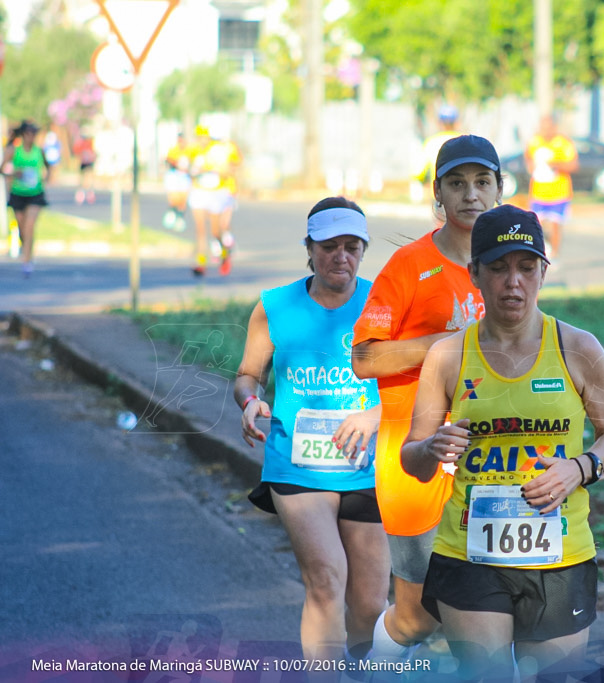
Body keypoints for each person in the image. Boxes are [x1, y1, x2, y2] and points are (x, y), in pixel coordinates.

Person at [401, 203, 604, 680]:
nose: (513, 283)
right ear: (474, 274)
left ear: (543, 272)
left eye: (527, 268)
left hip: (560, 551)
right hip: (470, 551)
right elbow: (414, 458)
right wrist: (431, 449)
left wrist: (580, 468)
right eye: (499, 268)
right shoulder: (447, 356)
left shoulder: (578, 348)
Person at [352, 134, 502, 662]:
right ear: (438, 193)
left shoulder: (506, 268)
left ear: (499, 190)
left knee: (493, 604)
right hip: (416, 459)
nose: (471, 195)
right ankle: (375, 665)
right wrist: (444, 344)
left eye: (483, 182)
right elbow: (364, 358)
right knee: (418, 614)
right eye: (457, 184)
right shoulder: (410, 266)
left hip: (491, 462)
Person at [234, 196, 390, 665]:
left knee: (368, 603)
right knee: (326, 580)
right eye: (328, 247)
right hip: (297, 465)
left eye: (351, 246)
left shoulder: (384, 304)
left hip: (368, 467)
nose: (340, 256)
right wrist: (249, 401)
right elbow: (247, 374)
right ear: (309, 248)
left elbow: (419, 385)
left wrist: (375, 416)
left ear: (363, 249)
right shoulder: (274, 306)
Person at [188, 124, 241, 276]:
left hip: (216, 193)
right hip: (199, 191)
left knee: (215, 231)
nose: (202, 140)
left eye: (204, 136)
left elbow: (227, 171)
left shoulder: (218, 151)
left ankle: (224, 253)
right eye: (199, 137)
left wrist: (209, 169)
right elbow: (189, 169)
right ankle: (201, 262)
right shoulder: (194, 150)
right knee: (200, 229)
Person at [525, 114, 578, 264]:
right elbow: (528, 156)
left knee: (555, 226)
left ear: (554, 127)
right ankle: (539, 254)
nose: (545, 130)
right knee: (537, 226)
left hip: (558, 192)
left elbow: (573, 165)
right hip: (538, 192)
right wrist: (530, 165)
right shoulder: (535, 141)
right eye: (542, 127)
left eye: (548, 127)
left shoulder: (563, 142)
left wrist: (555, 164)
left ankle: (554, 256)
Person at [3, 120, 51, 277]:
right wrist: (13, 174)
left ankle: (27, 261)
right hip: (18, 193)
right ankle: (27, 250)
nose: (32, 137)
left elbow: (48, 166)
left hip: (35, 193)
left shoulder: (39, 151)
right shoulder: (13, 151)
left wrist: (45, 179)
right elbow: (3, 168)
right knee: (22, 228)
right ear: (23, 135)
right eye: (29, 134)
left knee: (30, 226)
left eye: (34, 134)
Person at [410, 105, 460, 202]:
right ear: (456, 123)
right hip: (463, 196)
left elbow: (418, 172)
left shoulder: (431, 142)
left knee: (441, 217)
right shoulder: (464, 140)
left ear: (439, 123)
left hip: (440, 196)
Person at [162, 132, 192, 232]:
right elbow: (168, 160)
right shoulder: (173, 150)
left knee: (183, 199)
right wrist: (176, 163)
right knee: (174, 198)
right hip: (175, 175)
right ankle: (172, 212)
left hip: (184, 177)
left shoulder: (189, 151)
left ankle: (180, 218)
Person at [72, 130, 97, 205]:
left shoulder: (90, 143)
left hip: (89, 163)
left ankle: (89, 194)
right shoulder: (82, 144)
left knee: (88, 178)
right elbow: (77, 152)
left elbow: (93, 153)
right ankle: (81, 194)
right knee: (82, 179)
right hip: (83, 163)